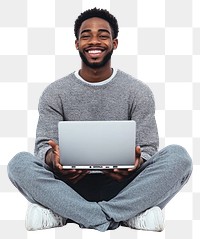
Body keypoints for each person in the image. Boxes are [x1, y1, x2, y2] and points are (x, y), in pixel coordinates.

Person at [7, 8, 192, 232]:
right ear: (77, 43)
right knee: (19, 163)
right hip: (68, 186)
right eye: (86, 35)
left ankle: (66, 214)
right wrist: (53, 160)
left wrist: (137, 163)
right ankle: (126, 215)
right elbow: (43, 147)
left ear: (114, 43)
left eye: (103, 35)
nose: (94, 41)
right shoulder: (55, 92)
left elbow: (149, 148)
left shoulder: (137, 91)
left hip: (125, 186)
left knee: (179, 157)